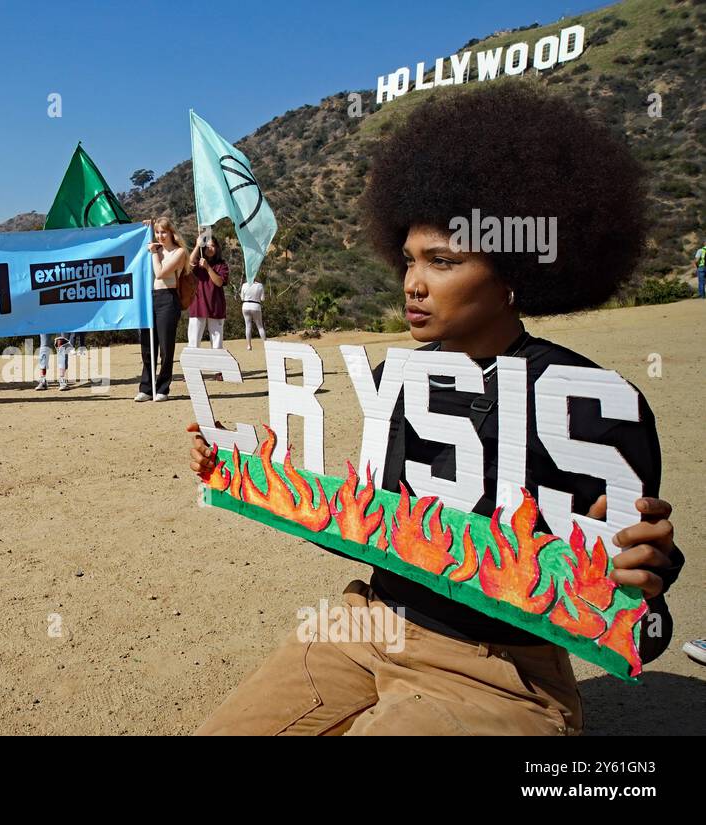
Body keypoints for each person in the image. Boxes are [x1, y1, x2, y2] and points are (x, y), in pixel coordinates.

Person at [188, 84, 684, 736]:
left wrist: (647, 587)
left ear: (512, 275)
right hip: (364, 623)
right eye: (410, 260)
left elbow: (646, 636)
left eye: (442, 262)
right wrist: (254, 477)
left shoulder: (592, 410)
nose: (413, 283)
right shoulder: (399, 380)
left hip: (499, 671)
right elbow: (378, 528)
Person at [136, 217, 188, 402]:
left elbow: (160, 272)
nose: (160, 236)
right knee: (147, 346)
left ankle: (163, 388)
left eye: (163, 232)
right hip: (149, 299)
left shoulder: (179, 252)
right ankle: (146, 388)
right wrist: (146, 228)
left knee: (166, 347)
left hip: (168, 299)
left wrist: (153, 253)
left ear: (172, 232)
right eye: (157, 232)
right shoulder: (154, 248)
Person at [187, 233, 228, 349]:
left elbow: (219, 282)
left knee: (217, 344)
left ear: (217, 248)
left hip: (216, 307)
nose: (210, 248)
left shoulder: (221, 264)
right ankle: (193, 366)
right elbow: (189, 265)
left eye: (213, 246)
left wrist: (208, 268)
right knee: (193, 343)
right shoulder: (197, 262)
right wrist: (197, 246)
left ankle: (217, 367)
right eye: (207, 245)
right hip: (198, 306)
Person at [240, 277, 266, 350]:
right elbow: (262, 299)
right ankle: (265, 344)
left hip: (245, 306)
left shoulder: (244, 285)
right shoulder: (260, 285)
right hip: (256, 306)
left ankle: (249, 345)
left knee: (248, 326)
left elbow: (242, 298)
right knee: (260, 326)